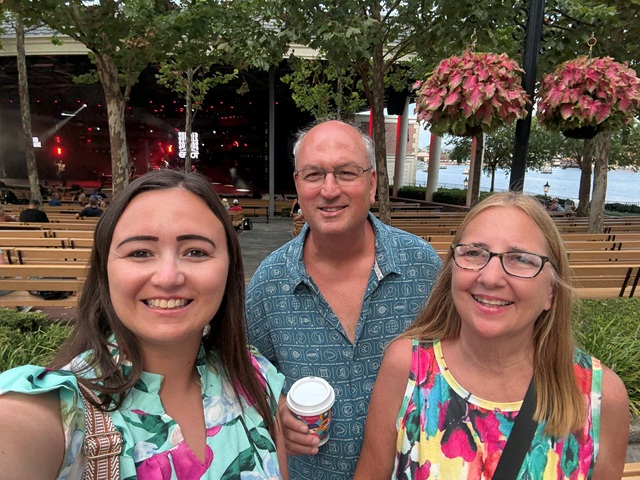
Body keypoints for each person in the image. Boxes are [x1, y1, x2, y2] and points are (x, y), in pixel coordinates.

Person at [0, 169, 286, 478]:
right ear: (104, 271)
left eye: (195, 251)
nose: (168, 277)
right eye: (140, 252)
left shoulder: (256, 378)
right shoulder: (59, 411)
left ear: (230, 268)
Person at [354, 192, 630, 480]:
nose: (490, 278)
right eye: (474, 253)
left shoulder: (601, 399)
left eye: (520, 259)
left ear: (551, 290)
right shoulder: (407, 368)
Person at [246, 119, 442, 479]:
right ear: (298, 185)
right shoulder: (269, 283)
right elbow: (242, 370)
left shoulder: (423, 268)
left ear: (372, 183)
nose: (329, 189)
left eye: (346, 173)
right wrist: (277, 406)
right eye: (314, 175)